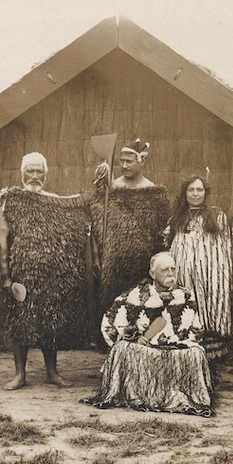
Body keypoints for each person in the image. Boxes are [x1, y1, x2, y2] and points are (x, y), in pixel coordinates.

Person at [0, 152, 91, 389]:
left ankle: (52, 372)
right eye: (31, 170)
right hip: (23, 275)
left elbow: (77, 219)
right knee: (21, 322)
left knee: (50, 320)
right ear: (22, 173)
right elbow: (3, 242)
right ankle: (20, 375)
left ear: (47, 174)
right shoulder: (11, 201)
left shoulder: (55, 202)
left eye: (40, 171)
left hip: (51, 276)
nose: (35, 176)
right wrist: (7, 277)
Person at [81, 252, 214, 417]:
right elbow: (111, 320)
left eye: (173, 269)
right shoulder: (137, 295)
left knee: (196, 352)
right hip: (144, 349)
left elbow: (196, 328)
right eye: (165, 270)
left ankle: (175, 394)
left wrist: (177, 340)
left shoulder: (186, 295)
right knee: (122, 349)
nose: (171, 273)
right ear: (153, 274)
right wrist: (136, 337)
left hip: (176, 348)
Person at [90, 138, 170, 332]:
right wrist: (98, 254)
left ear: (141, 161)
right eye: (121, 161)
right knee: (112, 308)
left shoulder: (153, 193)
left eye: (129, 161)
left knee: (142, 307)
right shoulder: (111, 189)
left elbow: (161, 231)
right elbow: (97, 224)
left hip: (143, 263)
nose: (124, 165)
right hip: (114, 262)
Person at [165, 175, 232, 361]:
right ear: (185, 193)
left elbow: (222, 248)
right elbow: (174, 246)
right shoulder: (177, 218)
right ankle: (188, 352)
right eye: (191, 190)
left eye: (199, 190)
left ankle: (211, 358)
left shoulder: (217, 215)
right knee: (187, 307)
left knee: (207, 308)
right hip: (184, 274)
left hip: (209, 274)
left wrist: (214, 274)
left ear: (205, 192)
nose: (195, 194)